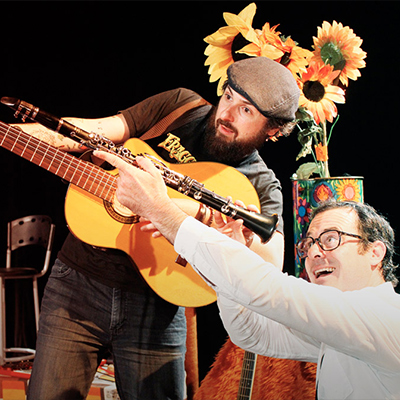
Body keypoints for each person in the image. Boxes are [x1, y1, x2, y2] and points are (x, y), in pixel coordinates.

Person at [15, 56, 300, 400]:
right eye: (229, 97)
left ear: (273, 130)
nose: (226, 114)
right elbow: (95, 131)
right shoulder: (180, 106)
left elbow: (272, 262)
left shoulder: (260, 184)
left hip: (158, 310)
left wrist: (190, 212)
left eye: (246, 111)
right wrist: (15, 134)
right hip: (77, 285)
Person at [90, 149, 400, 399]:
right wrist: (233, 247)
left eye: (331, 239)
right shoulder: (340, 332)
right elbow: (251, 334)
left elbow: (267, 290)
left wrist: (160, 209)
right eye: (309, 244)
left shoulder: (385, 317)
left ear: (376, 252)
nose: (315, 252)